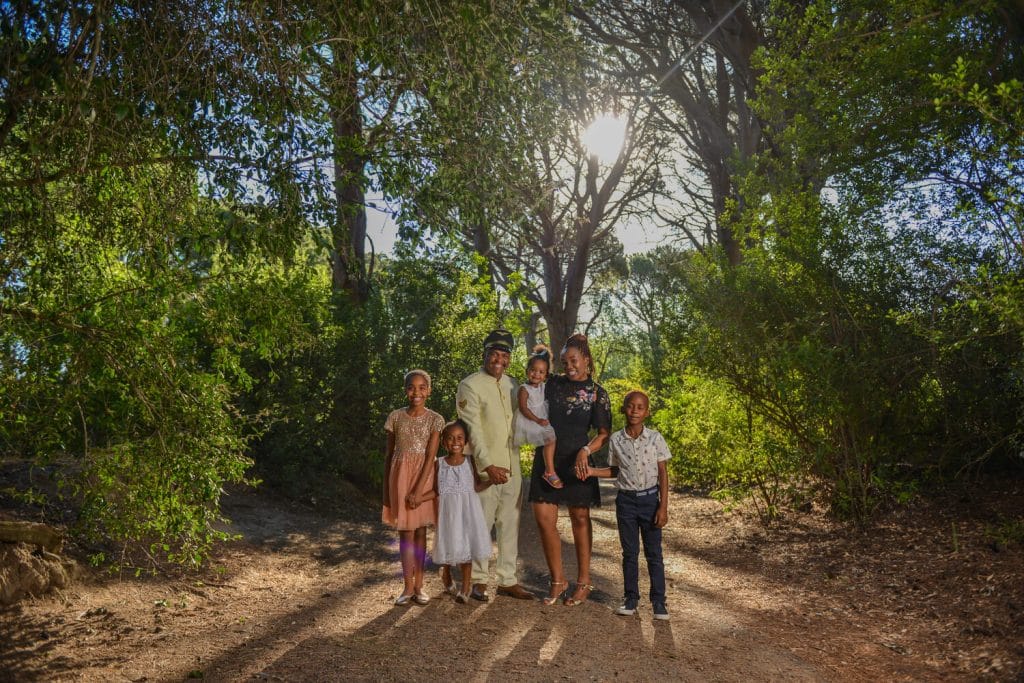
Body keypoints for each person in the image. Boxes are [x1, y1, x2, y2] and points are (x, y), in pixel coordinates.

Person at [529, 333, 612, 606]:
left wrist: (586, 450)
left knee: (579, 519)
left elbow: (602, 434)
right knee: (543, 519)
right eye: (564, 362)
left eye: (573, 360)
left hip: (578, 462)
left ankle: (584, 581)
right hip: (548, 460)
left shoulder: (598, 393)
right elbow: (531, 381)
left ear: (586, 359)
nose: (569, 366)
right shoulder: (552, 384)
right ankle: (557, 580)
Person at [456, 328, 535, 601]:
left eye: (504, 355)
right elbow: (473, 430)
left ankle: (507, 579)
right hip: (484, 469)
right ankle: (478, 580)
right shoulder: (470, 385)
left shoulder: (514, 385)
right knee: (481, 525)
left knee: (510, 523)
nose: (499, 359)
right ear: (484, 355)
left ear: (510, 358)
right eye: (494, 354)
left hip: (512, 466)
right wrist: (487, 466)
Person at [584, 390, 672, 620]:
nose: (635, 410)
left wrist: (662, 507)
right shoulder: (616, 439)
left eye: (640, 407)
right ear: (624, 409)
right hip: (626, 502)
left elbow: (663, 474)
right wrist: (592, 471)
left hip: (650, 501)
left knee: (654, 554)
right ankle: (631, 598)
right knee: (630, 553)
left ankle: (659, 602)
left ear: (647, 412)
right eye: (630, 406)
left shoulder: (655, 438)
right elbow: (615, 470)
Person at [408, 419, 493, 603]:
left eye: (460, 438)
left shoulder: (470, 461)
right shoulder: (439, 464)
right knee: (449, 545)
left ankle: (465, 589)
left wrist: (493, 480)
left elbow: (476, 486)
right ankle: (445, 573)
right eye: (450, 438)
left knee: (467, 549)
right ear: (443, 442)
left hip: (468, 513)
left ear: (466, 441)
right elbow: (437, 490)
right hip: (448, 514)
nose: (455, 442)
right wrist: (419, 498)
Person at [382, 369, 445, 606]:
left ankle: (420, 586)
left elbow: (431, 456)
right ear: (405, 389)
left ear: (428, 391)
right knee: (405, 534)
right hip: (399, 479)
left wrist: (419, 490)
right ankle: (407, 586)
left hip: (423, 479)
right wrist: (386, 492)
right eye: (411, 387)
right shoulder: (395, 417)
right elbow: (389, 455)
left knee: (420, 533)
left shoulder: (435, 419)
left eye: (421, 388)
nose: (416, 392)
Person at [513, 345, 561, 489]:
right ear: (527, 371)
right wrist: (537, 420)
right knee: (551, 439)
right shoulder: (524, 389)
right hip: (529, 420)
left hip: (540, 417)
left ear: (546, 375)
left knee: (551, 440)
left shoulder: (543, 386)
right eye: (533, 370)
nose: (536, 374)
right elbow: (523, 408)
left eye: (541, 372)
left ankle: (549, 470)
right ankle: (550, 471)